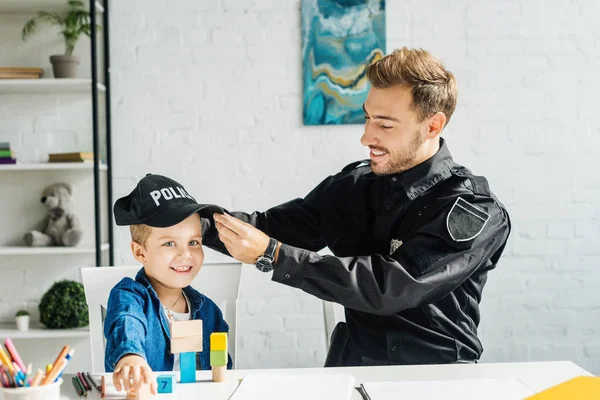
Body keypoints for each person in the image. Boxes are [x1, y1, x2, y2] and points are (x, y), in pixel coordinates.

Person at [201, 47, 511, 366]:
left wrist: (273, 255)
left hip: (435, 375)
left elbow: (390, 287)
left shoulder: (472, 208)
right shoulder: (353, 186)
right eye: (367, 118)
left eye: (385, 125)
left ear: (433, 125)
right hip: (352, 368)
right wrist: (187, 221)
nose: (366, 137)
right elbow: (269, 228)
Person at [105, 173, 232, 394]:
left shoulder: (210, 311)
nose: (186, 254)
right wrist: (130, 356)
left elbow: (223, 372)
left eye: (193, 242)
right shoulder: (130, 297)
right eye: (170, 243)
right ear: (139, 251)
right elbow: (126, 323)